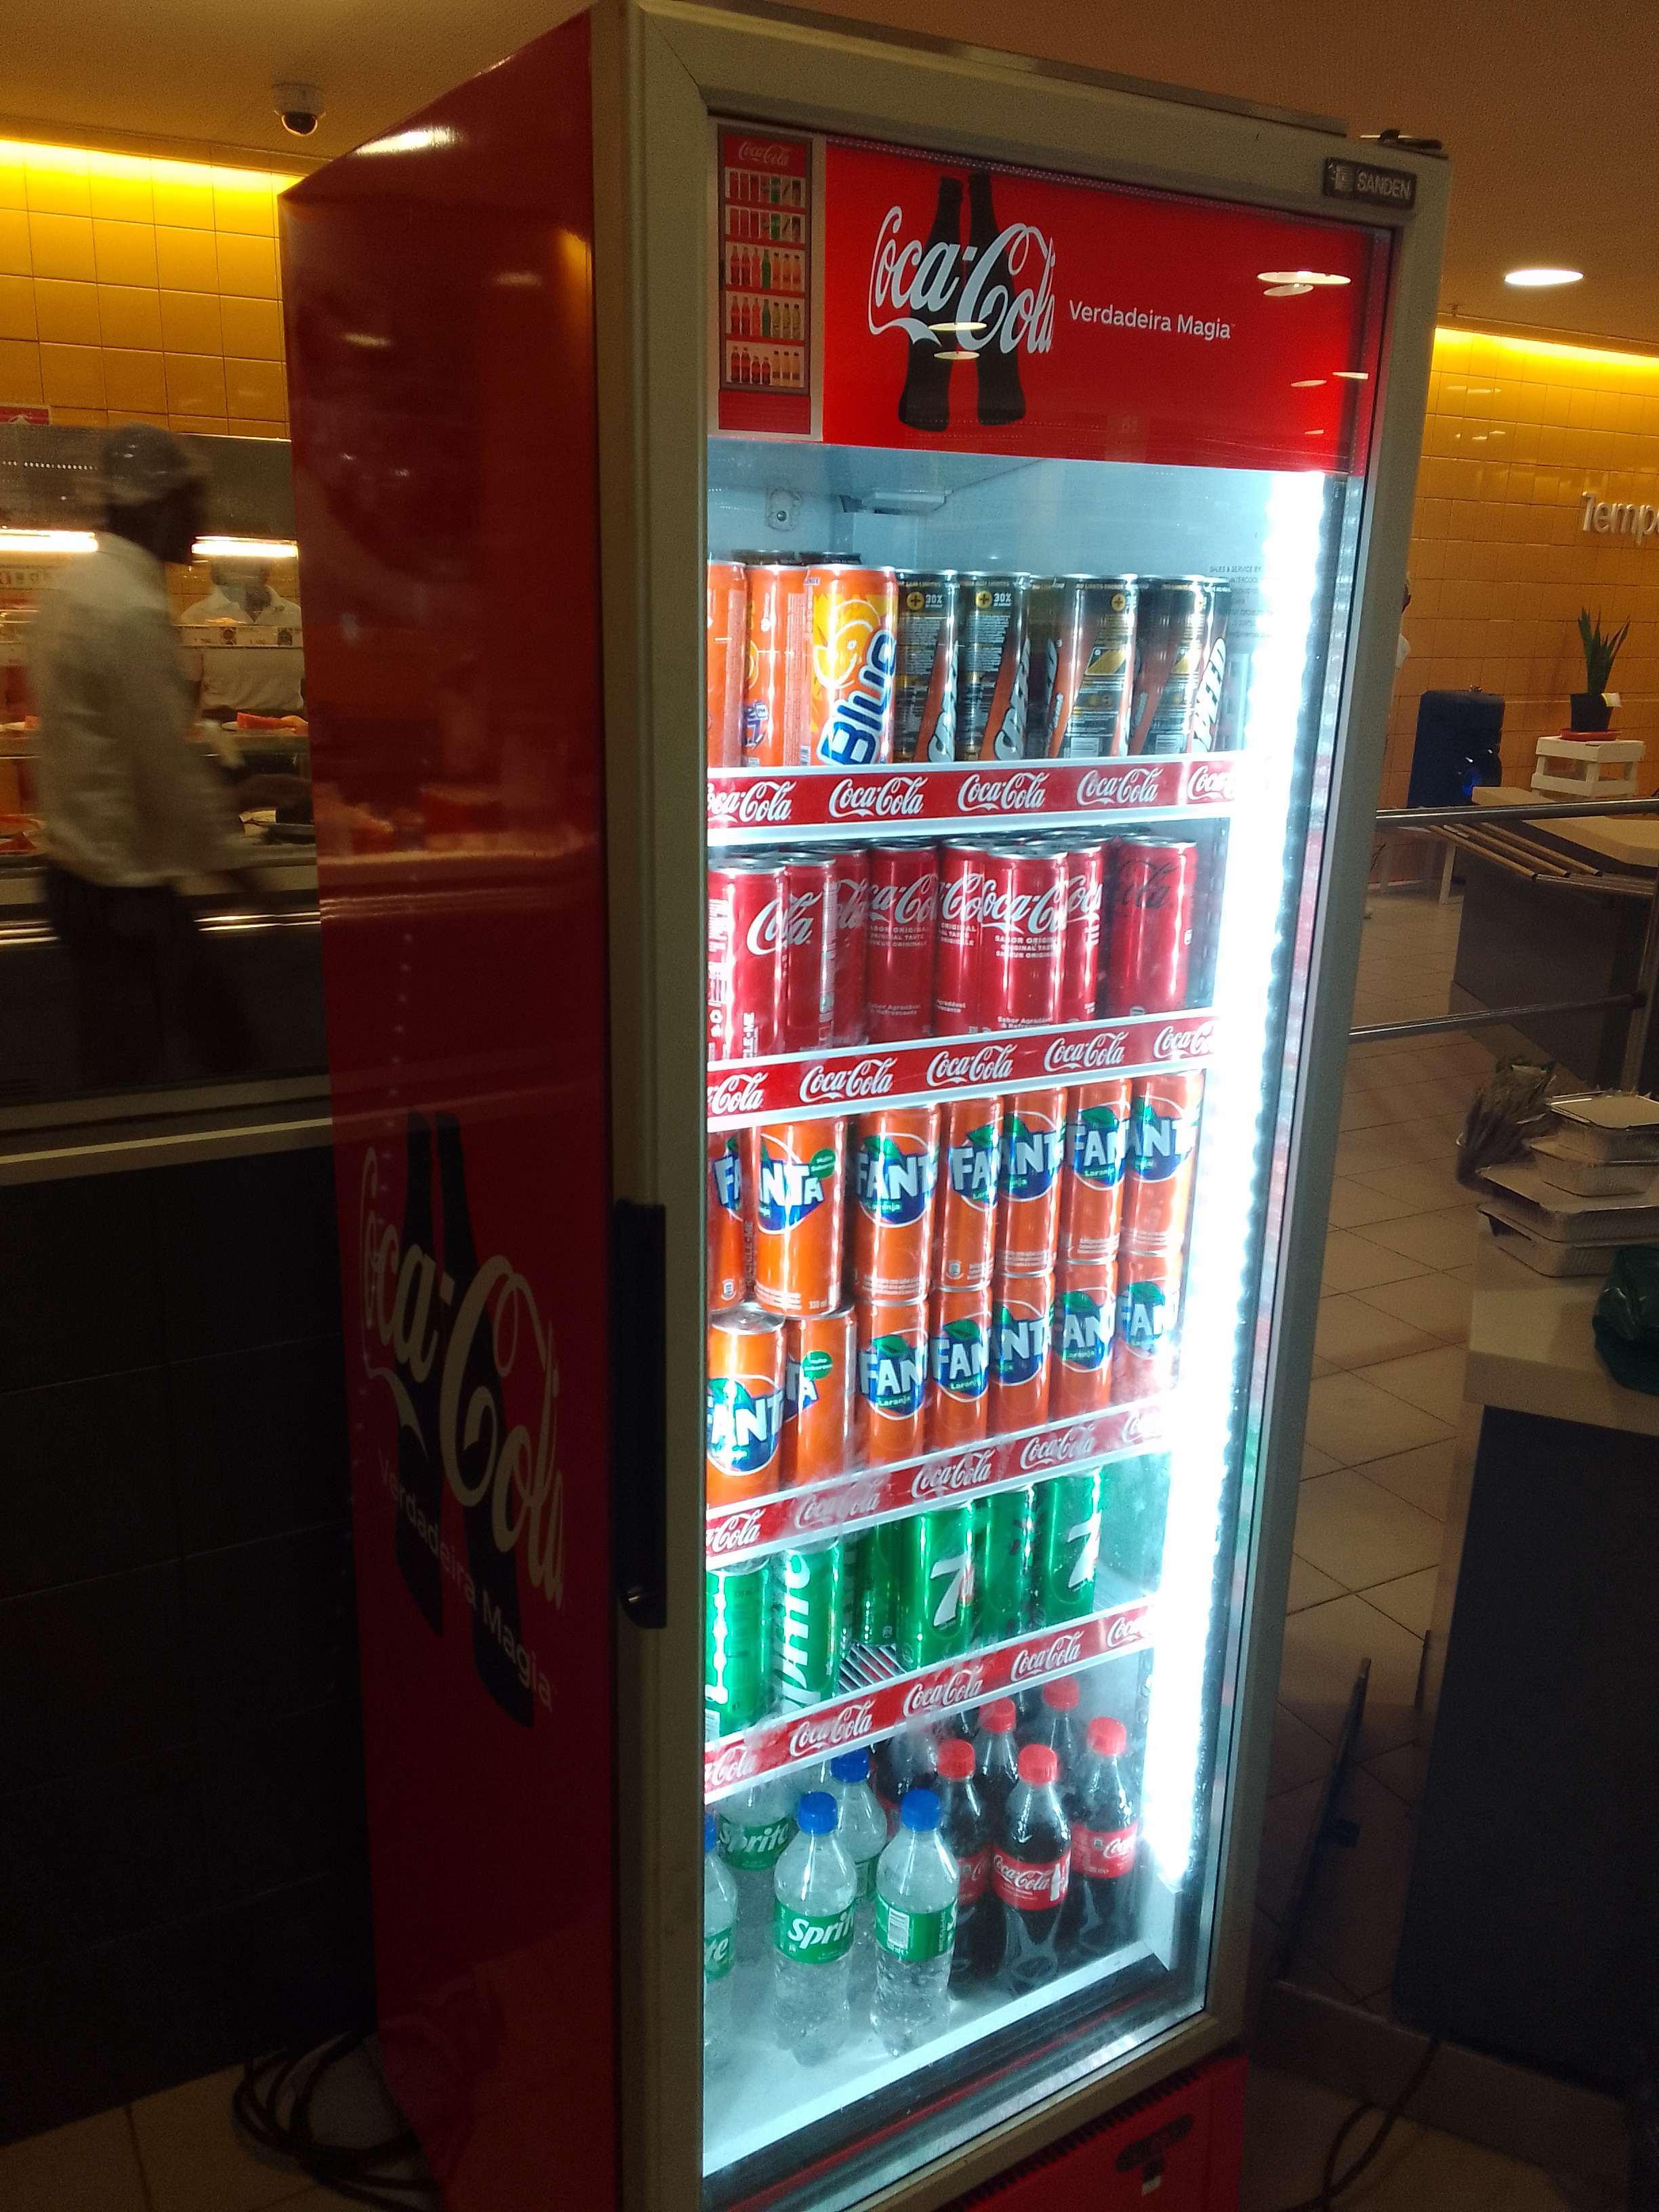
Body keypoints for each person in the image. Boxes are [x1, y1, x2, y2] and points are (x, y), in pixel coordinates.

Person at [28, 422, 256, 1091]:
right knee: (200, 1062)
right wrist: (239, 868)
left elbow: (119, 749)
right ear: (155, 507)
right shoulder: (128, 609)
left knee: (124, 1070)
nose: (200, 525)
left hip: (77, 881)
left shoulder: (71, 591)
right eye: (191, 504)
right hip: (124, 898)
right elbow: (164, 770)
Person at [180, 558, 304, 719]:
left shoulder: (296, 616)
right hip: (222, 725)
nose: (245, 572)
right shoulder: (196, 618)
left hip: (288, 724)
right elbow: (187, 690)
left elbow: (312, 684)